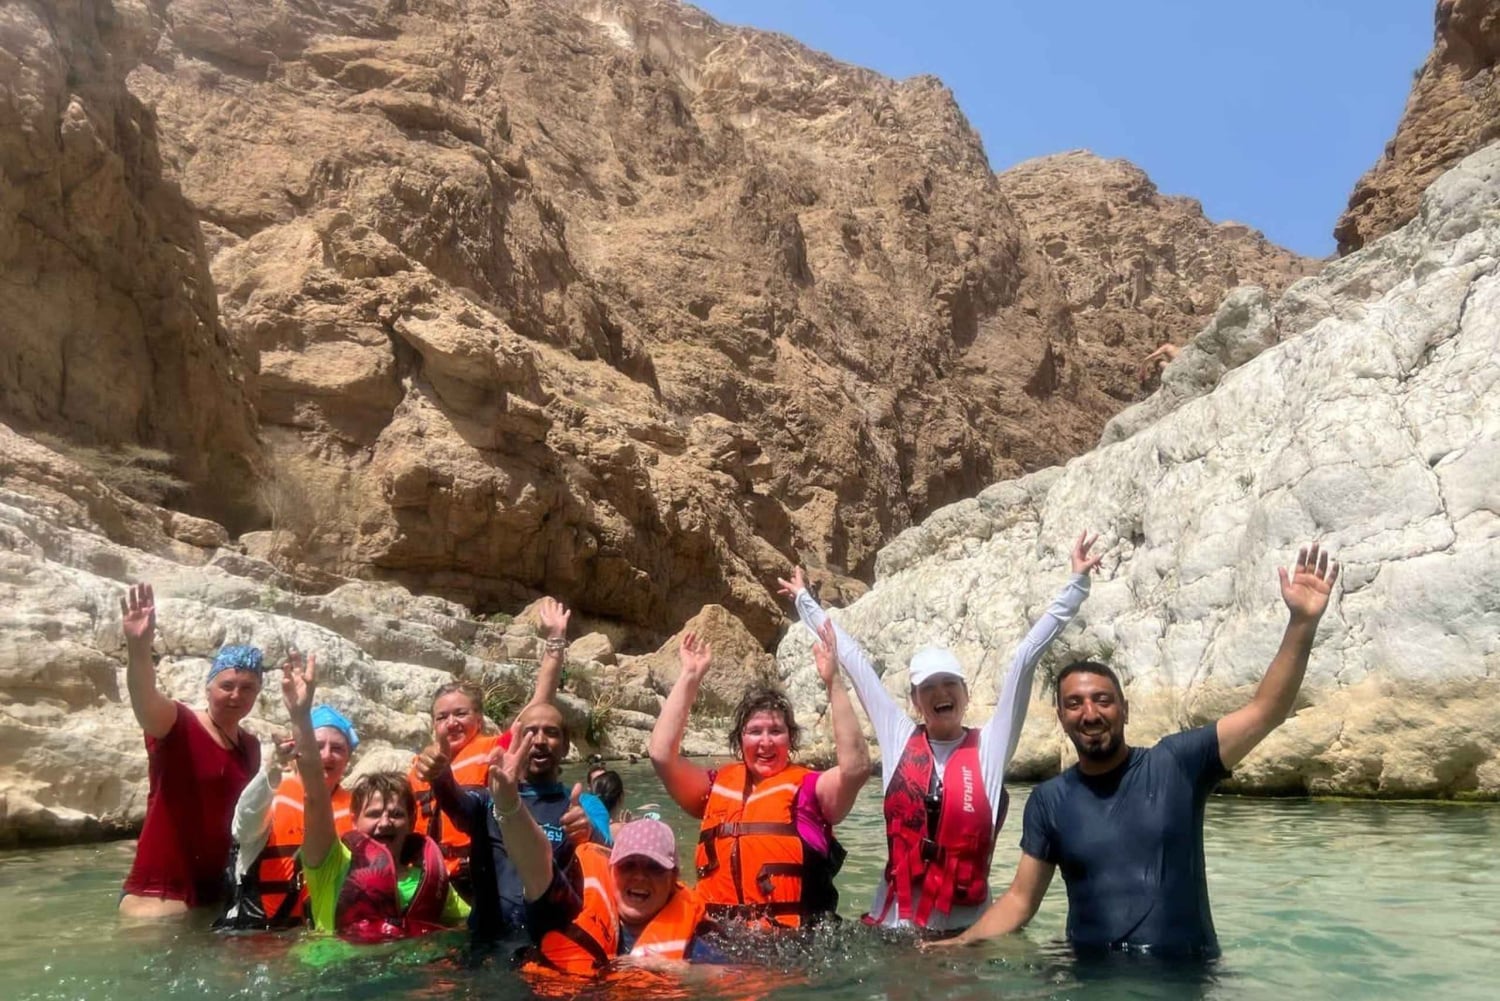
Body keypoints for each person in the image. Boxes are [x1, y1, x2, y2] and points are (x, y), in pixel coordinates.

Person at [929, 542, 1340, 958]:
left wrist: (1302, 624)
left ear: (1124, 709)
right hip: (1089, 978)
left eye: (1102, 700)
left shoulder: (1177, 764)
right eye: (1075, 703)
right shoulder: (1048, 801)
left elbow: (1266, 711)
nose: (1090, 713)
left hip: (1181, 976)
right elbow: (1021, 900)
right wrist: (960, 943)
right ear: (1061, 716)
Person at [779, 532, 1100, 933]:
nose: (940, 693)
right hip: (895, 929)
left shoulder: (991, 747)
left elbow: (1025, 658)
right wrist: (804, 601)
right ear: (915, 700)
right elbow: (853, 660)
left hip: (965, 934)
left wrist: (1076, 585)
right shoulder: (899, 738)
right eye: (928, 687)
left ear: (965, 695)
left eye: (949, 684)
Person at [648, 619, 869, 929]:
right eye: (754, 731)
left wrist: (832, 681)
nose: (765, 742)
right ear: (740, 741)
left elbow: (856, 768)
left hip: (790, 947)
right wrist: (690, 677)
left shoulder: (809, 791)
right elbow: (661, 754)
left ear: (790, 740)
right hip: (719, 941)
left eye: (776, 731)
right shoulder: (715, 788)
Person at [492, 725, 723, 979]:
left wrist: (671, 968)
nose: (639, 877)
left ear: (673, 879)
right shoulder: (575, 908)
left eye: (654, 867)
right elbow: (536, 864)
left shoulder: (694, 943)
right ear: (611, 870)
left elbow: (728, 976)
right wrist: (508, 803)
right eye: (628, 865)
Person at [282, 652, 468, 941]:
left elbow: (466, 924)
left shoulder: (427, 875)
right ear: (354, 819)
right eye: (373, 814)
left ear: (410, 821)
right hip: (333, 977)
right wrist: (300, 716)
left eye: (396, 814)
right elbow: (315, 795)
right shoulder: (331, 861)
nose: (385, 822)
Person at [407, 596, 572, 896]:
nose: (452, 723)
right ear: (433, 724)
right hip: (426, 882)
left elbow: (540, 701)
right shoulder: (419, 766)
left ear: (479, 720)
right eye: (442, 717)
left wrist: (555, 641)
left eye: (461, 714)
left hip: (476, 878)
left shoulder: (497, 750)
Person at [118, 583, 263, 918]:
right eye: (226, 685)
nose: (235, 695)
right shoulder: (177, 724)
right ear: (208, 687)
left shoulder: (251, 747)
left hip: (217, 896)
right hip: (159, 895)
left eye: (247, 688)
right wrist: (138, 649)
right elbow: (144, 699)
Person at [412, 700, 604, 941]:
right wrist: (440, 774)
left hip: (551, 944)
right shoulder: (487, 801)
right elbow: (456, 802)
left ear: (566, 746)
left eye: (551, 733)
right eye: (530, 732)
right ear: (514, 742)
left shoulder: (584, 805)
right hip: (488, 945)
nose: (540, 740)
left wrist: (589, 833)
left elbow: (611, 859)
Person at [219, 702, 359, 929]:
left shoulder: (356, 808)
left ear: (348, 757)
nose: (326, 755)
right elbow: (242, 829)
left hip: (320, 935)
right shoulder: (272, 792)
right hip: (259, 932)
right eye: (317, 746)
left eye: (337, 749)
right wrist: (272, 768)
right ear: (299, 750)